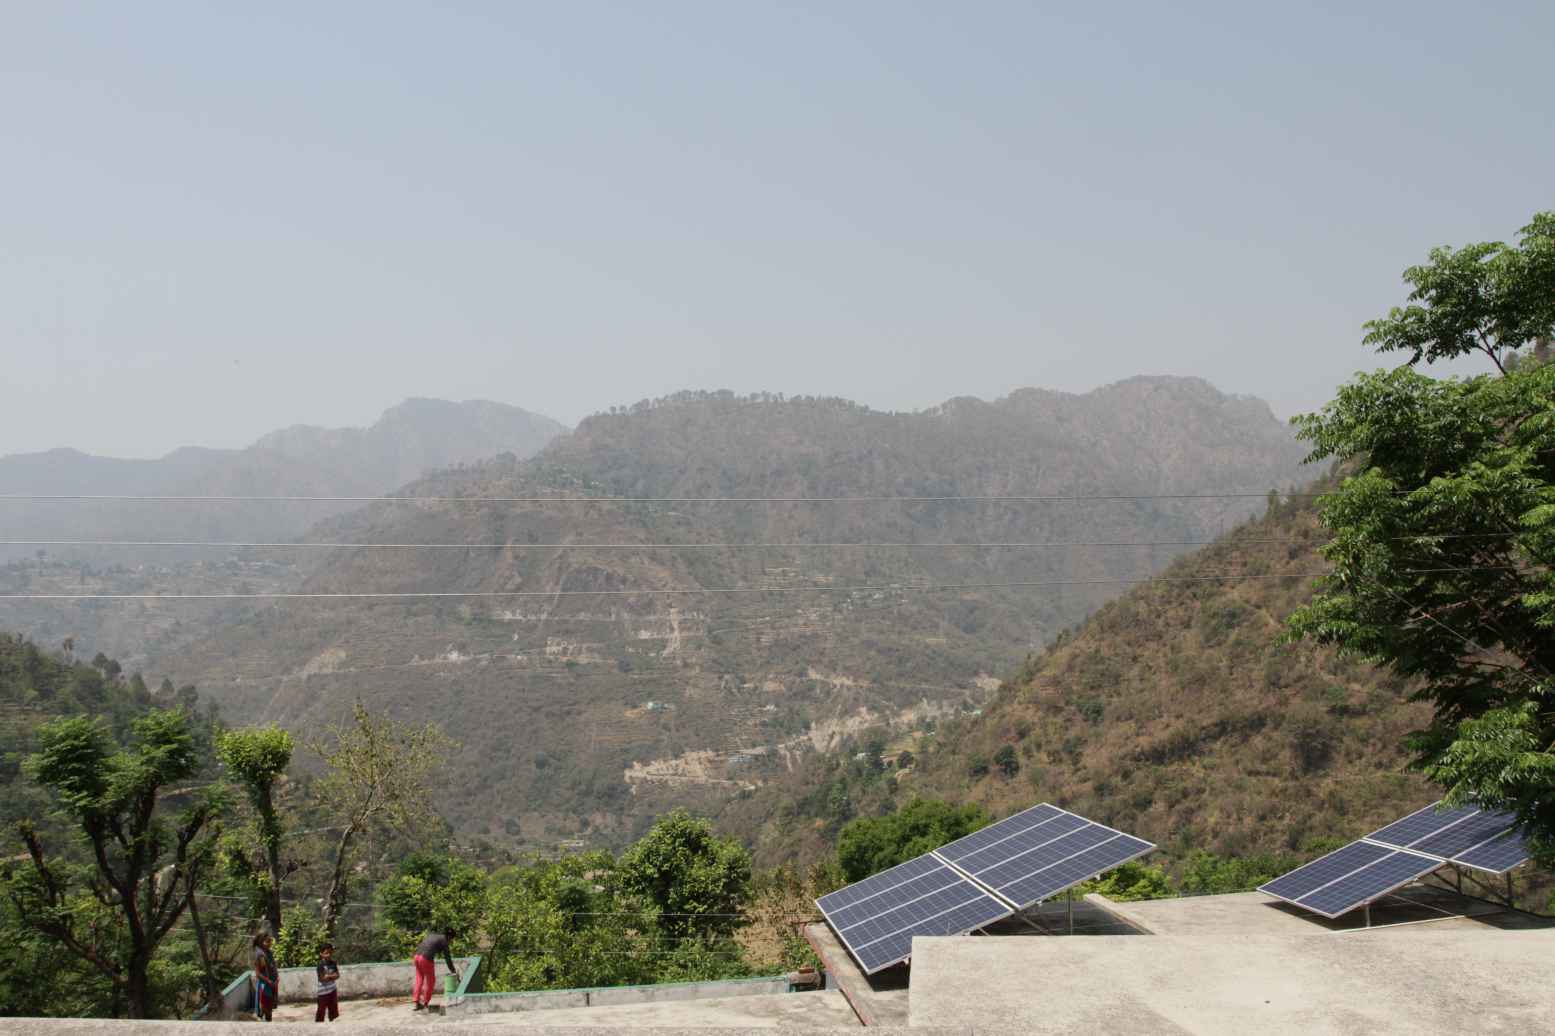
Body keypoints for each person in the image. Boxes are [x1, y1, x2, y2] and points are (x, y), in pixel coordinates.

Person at [411, 928, 460, 1011]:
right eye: (451, 939)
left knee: (419, 979)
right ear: (449, 937)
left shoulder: (433, 935)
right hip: (426, 959)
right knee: (431, 981)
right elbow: (448, 959)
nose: (451, 941)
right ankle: (426, 1003)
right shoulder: (444, 941)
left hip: (416, 956)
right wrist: (453, 971)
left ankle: (416, 1002)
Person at [253, 931, 278, 1022]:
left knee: (270, 1009)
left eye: (270, 941)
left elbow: (272, 966)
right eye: (267, 941)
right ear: (261, 941)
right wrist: (268, 981)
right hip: (265, 985)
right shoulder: (260, 955)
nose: (270, 944)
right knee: (265, 1009)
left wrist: (277, 977)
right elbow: (258, 973)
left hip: (272, 984)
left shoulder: (269, 952)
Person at [315, 942, 341, 1023]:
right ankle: (318, 1027)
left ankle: (332, 1025)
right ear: (321, 954)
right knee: (321, 1011)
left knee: (333, 1010)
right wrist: (332, 976)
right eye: (326, 953)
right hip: (323, 992)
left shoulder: (333, 963)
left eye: (330, 953)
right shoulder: (320, 965)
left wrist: (328, 976)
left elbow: (337, 975)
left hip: (333, 990)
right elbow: (322, 978)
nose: (328, 955)